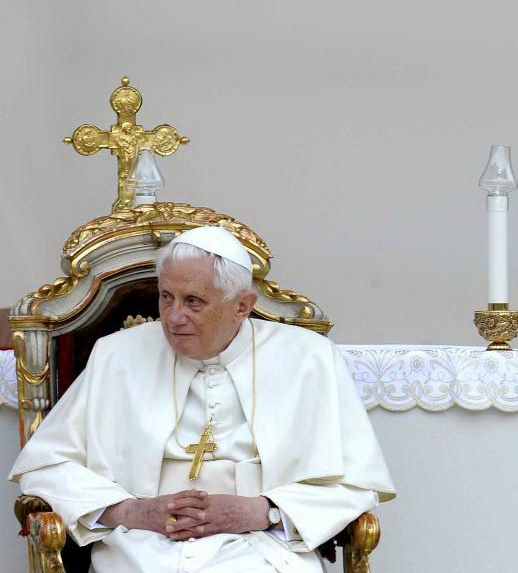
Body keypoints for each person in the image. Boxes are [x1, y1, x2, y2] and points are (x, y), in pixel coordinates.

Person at [10, 226, 395, 572]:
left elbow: (357, 484)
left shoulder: (309, 358)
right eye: (166, 297)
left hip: (264, 544)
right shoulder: (117, 355)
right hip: (141, 545)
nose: (174, 317)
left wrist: (262, 511)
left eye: (194, 301)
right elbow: (45, 465)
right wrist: (133, 511)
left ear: (241, 306)